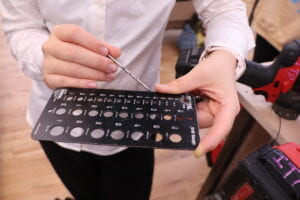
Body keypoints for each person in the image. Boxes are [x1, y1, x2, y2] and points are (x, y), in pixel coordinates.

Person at [0, 0, 254, 199]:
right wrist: (41, 58)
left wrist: (225, 54)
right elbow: (20, 25)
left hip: (135, 125)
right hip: (53, 119)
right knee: (84, 192)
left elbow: (224, 7)